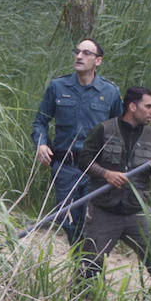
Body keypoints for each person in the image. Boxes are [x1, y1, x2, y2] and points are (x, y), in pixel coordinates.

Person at [31, 39, 122, 244]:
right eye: (77, 51)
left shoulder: (110, 92)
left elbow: (121, 131)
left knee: (93, 221)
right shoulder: (57, 87)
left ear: (98, 61)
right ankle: (80, 268)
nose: (79, 56)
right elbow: (40, 122)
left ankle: (90, 273)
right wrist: (41, 143)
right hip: (66, 167)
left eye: (86, 53)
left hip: (96, 169)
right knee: (69, 221)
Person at [75, 86, 151, 283]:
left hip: (137, 211)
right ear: (132, 107)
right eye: (148, 106)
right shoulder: (104, 129)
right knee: (88, 267)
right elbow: (83, 160)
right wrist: (106, 174)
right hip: (104, 211)